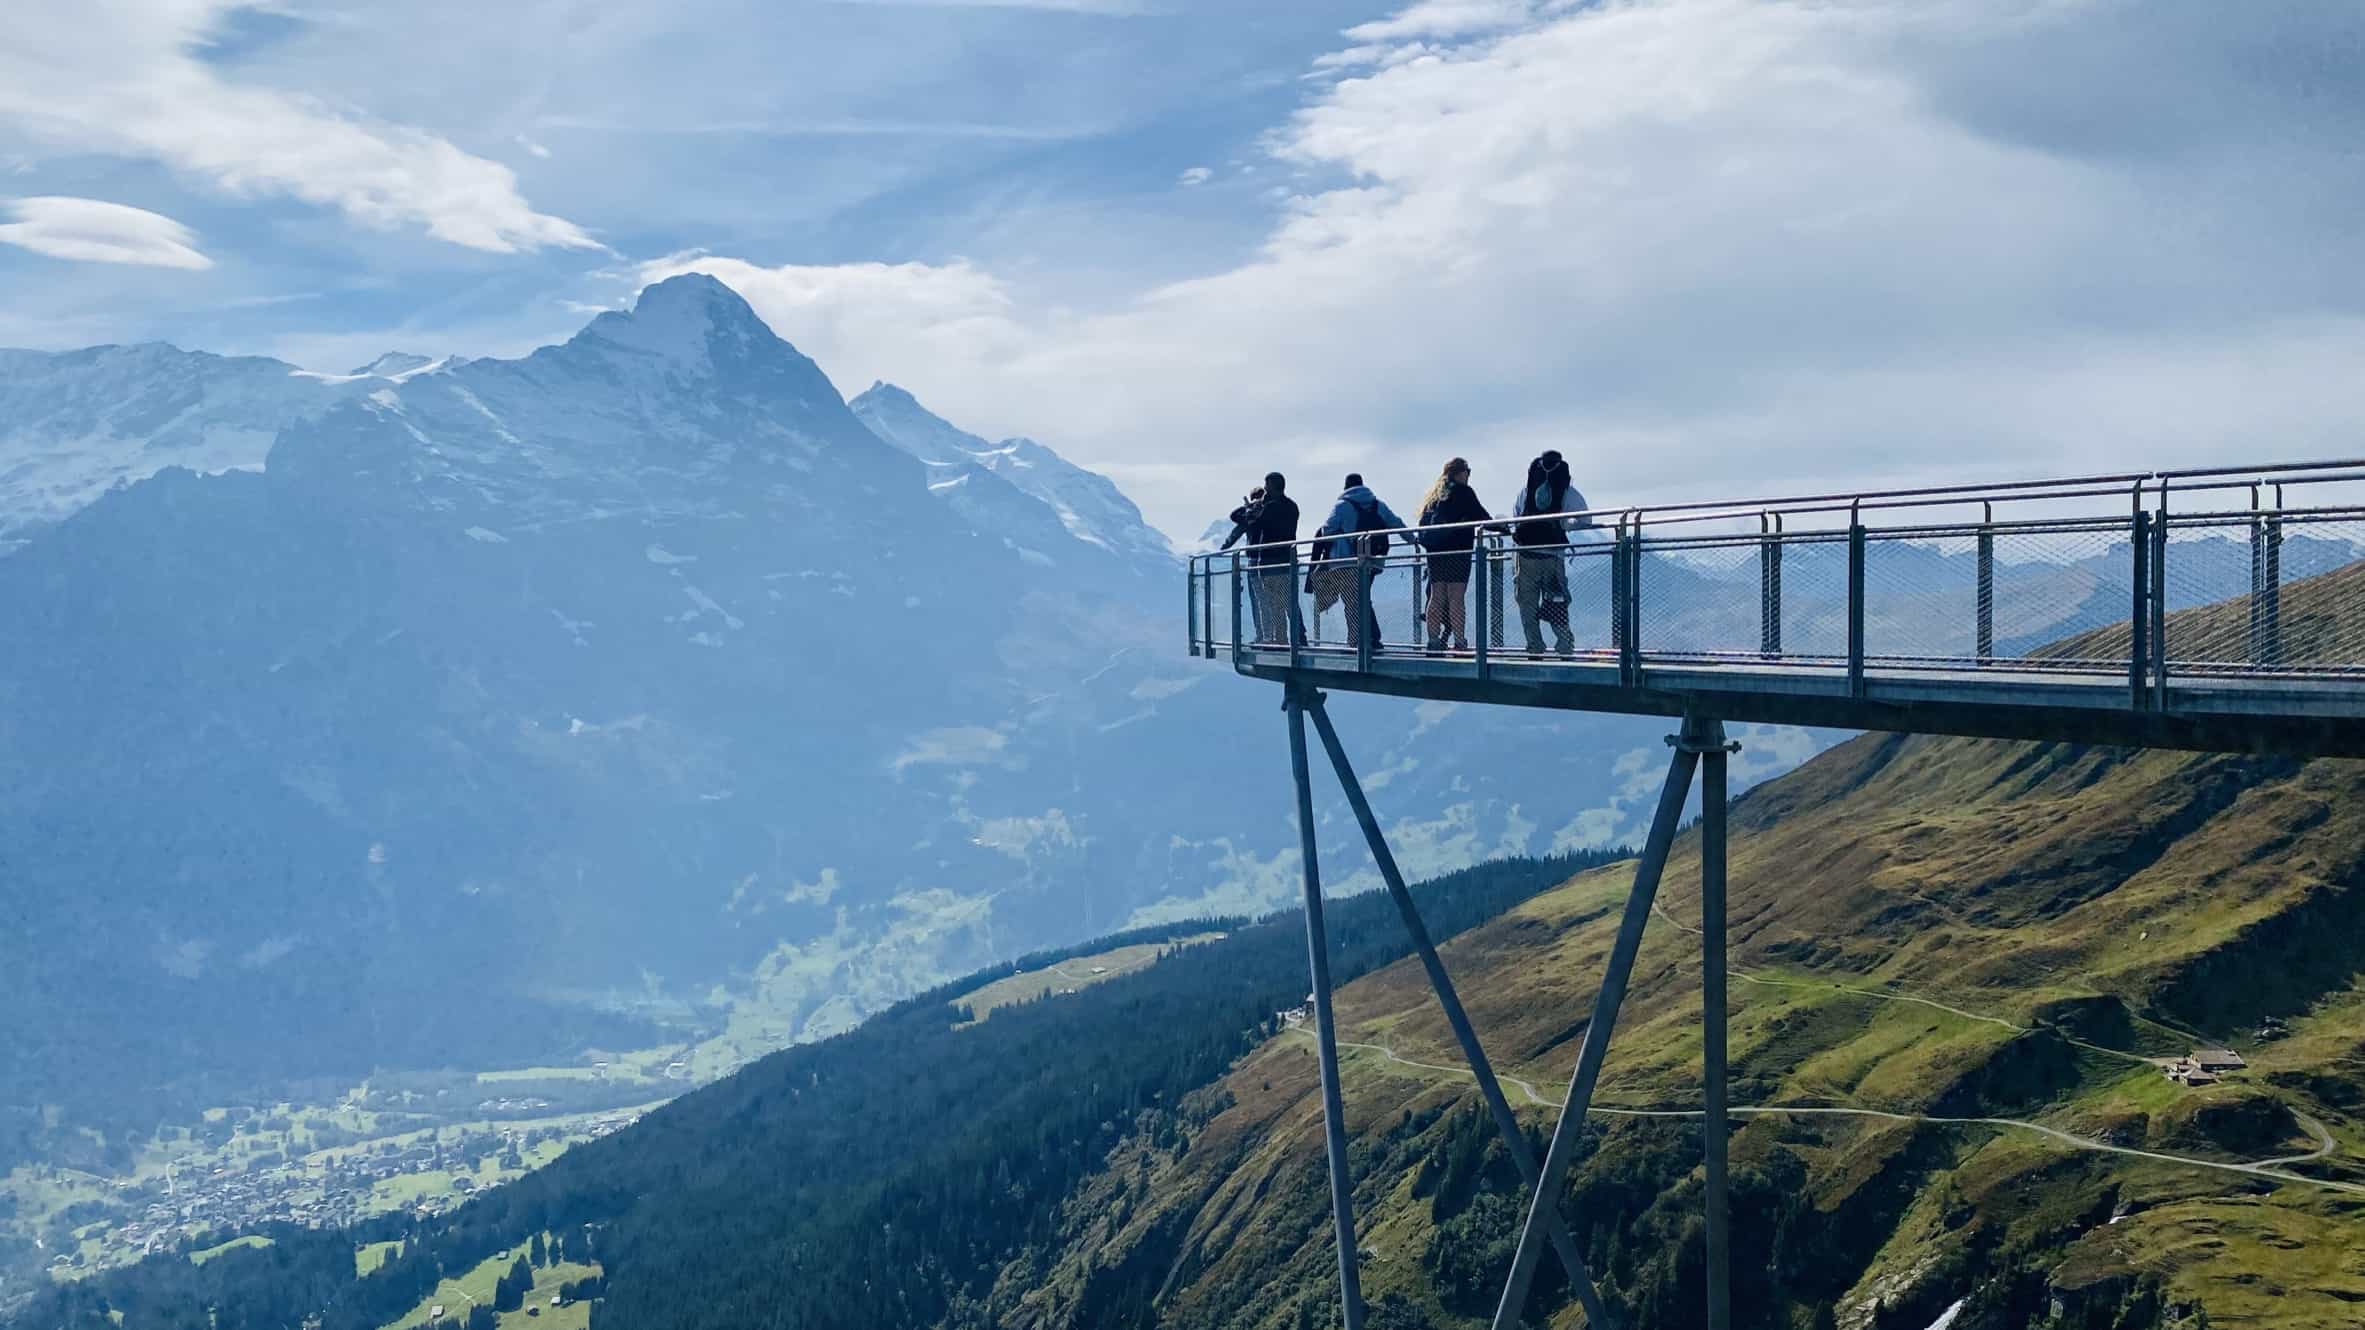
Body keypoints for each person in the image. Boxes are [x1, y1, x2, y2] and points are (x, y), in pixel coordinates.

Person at [1511, 450, 1591, 655]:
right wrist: (1564, 525)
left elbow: (1517, 516)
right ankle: (1564, 645)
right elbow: (1585, 520)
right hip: (1553, 554)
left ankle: (1535, 646)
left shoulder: (1527, 489)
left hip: (1526, 553)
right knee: (1557, 600)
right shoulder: (1567, 490)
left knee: (1527, 602)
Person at [1318, 473, 1406, 650]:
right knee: (1362, 598)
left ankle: (1361, 641)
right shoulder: (1377, 505)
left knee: (1353, 601)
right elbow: (1396, 523)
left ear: (1345, 487)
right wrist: (1413, 541)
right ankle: (1371, 638)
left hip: (1348, 561)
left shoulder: (1342, 506)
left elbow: (1326, 530)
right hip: (1373, 560)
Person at [1414, 457, 1490, 652]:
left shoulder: (1434, 495)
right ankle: (1459, 641)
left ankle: (1432, 641)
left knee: (1436, 596)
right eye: (1468, 471)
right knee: (1456, 597)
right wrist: (1506, 529)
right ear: (1461, 473)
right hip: (1458, 550)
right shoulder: (1464, 493)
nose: (1468, 475)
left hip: (1435, 552)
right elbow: (1482, 516)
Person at [1227, 473, 1300, 644]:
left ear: (1273, 487)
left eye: (1267, 486)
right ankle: (1289, 638)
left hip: (1269, 561)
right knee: (1284, 602)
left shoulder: (1271, 508)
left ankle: (1274, 639)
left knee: (1271, 604)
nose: (1265, 490)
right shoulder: (1292, 506)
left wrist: (1252, 509)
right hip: (1287, 560)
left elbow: (1250, 522)